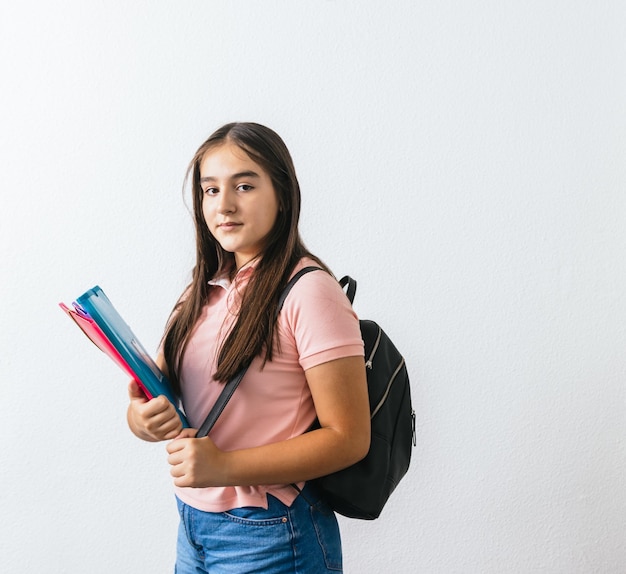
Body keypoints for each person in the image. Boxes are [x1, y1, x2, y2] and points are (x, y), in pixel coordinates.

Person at [126, 122, 370, 573]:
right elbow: (153, 398)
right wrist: (141, 419)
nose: (225, 205)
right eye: (210, 190)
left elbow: (348, 438)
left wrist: (224, 467)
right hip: (194, 523)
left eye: (244, 185)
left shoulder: (309, 292)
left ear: (282, 192)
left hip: (272, 532)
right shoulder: (202, 291)